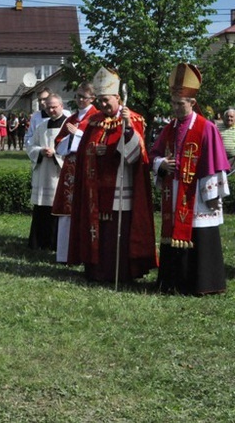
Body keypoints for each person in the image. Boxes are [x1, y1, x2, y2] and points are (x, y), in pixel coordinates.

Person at [68, 68, 157, 283]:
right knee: (98, 229)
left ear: (118, 98)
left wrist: (127, 129)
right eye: (99, 101)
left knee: (118, 231)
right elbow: (83, 151)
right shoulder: (94, 121)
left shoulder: (133, 118)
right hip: (95, 189)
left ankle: (121, 272)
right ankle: (96, 270)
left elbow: (136, 155)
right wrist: (94, 150)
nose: (103, 105)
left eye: (107, 100)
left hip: (121, 186)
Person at [151, 63, 230, 295]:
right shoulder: (170, 128)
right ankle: (173, 283)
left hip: (198, 192)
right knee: (175, 232)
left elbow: (215, 162)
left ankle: (203, 284)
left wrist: (214, 195)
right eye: (173, 103)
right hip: (175, 190)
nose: (175, 108)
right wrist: (161, 164)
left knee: (200, 233)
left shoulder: (206, 128)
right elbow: (154, 154)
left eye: (180, 104)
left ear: (192, 103)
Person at [52, 82, 97, 263]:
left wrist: (77, 134)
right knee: (67, 211)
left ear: (92, 98)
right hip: (70, 170)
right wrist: (71, 136)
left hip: (88, 169)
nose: (79, 100)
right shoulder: (71, 118)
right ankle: (64, 254)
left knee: (85, 210)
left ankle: (83, 253)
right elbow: (58, 143)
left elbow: (95, 142)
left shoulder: (97, 117)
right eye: (77, 96)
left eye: (83, 97)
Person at [27, 94, 68, 251]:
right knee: (41, 209)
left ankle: (55, 243)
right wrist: (40, 151)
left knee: (57, 208)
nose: (51, 110)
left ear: (61, 106)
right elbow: (31, 146)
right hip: (43, 172)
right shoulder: (41, 126)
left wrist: (56, 155)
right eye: (48, 107)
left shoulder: (68, 125)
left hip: (58, 172)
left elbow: (74, 150)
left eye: (54, 107)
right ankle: (39, 242)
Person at [220, 108, 235, 172]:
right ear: (224, 117)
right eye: (227, 116)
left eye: (231, 117)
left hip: (233, 159)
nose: (229, 118)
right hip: (220, 158)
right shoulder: (217, 127)